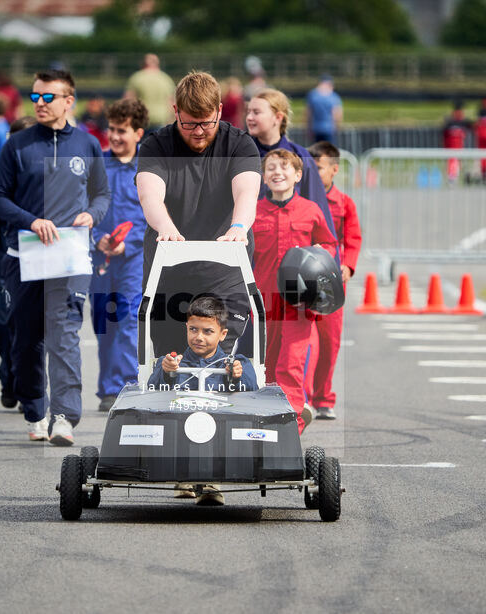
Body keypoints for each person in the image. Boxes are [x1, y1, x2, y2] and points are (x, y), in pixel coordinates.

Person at [0, 69, 110, 445]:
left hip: (71, 258)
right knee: (26, 340)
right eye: (35, 96)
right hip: (24, 258)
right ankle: (35, 410)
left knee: (66, 336)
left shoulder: (87, 145)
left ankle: (65, 417)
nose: (39, 103)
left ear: (68, 101)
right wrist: (31, 220)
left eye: (48, 97)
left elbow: (101, 195)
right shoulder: (18, 145)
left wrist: (93, 214)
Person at [136, 70, 261, 360]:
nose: (199, 132)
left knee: (217, 366)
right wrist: (165, 227)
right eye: (189, 124)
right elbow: (150, 195)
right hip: (169, 275)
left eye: (207, 123)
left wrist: (239, 226)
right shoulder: (156, 146)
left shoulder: (240, 144)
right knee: (169, 367)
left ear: (219, 110)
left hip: (224, 276)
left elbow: (247, 191)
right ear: (175, 110)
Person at [252, 149, 337, 434]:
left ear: (298, 176)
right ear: (264, 178)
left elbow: (328, 245)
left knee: (292, 362)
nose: (278, 172)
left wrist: (321, 262)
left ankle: (291, 424)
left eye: (284, 168)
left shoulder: (310, 211)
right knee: (265, 364)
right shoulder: (252, 212)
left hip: (299, 302)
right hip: (263, 301)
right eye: (271, 168)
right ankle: (266, 419)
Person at [147, 296, 257, 506]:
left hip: (220, 435)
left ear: (223, 334)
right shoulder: (171, 362)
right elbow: (153, 391)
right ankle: (183, 479)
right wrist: (167, 372)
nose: (199, 337)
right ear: (186, 328)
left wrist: (237, 376)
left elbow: (252, 392)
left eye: (207, 331)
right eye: (193, 329)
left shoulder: (235, 364)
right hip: (178, 433)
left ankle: (210, 483)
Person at [90, 98, 148, 413]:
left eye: (122, 130)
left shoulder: (149, 170)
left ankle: (125, 385)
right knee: (103, 322)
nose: (115, 136)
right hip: (99, 257)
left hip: (133, 258)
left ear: (138, 133)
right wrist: (96, 239)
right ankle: (108, 388)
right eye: (112, 129)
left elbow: (154, 216)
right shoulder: (96, 164)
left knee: (126, 317)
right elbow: (81, 210)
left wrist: (131, 243)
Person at [0, 115, 38, 411]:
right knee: (3, 324)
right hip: (6, 261)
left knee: (32, 329)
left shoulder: (48, 171)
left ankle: (30, 385)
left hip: (41, 261)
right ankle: (9, 376)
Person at [306, 141, 362, 421]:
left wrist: (348, 266)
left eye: (318, 169)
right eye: (309, 169)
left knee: (329, 343)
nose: (313, 175)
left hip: (331, 285)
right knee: (305, 341)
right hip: (303, 283)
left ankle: (323, 398)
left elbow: (352, 239)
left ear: (334, 170)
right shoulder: (301, 199)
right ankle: (300, 397)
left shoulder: (344, 204)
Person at [246, 88, 336, 237]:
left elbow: (318, 208)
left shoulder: (300, 156)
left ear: (278, 117)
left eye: (256, 112)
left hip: (292, 245)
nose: (249, 117)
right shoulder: (241, 154)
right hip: (252, 247)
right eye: (248, 112)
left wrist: (330, 257)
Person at [124, 54, 175, 130]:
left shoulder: (136, 78)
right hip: (160, 120)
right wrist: (170, 121)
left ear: (143, 64)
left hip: (140, 120)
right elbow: (171, 103)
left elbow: (128, 100)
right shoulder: (166, 79)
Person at [305, 75, 342, 144]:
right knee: (329, 152)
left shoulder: (312, 95)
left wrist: (308, 129)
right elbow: (337, 115)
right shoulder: (334, 96)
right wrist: (337, 128)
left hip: (315, 129)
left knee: (316, 152)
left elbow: (308, 114)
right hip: (329, 129)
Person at [443, 100, 472, 183]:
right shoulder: (457, 119)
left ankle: (454, 176)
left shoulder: (453, 120)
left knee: (455, 160)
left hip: (458, 144)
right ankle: (452, 177)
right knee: (453, 160)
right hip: (454, 145)